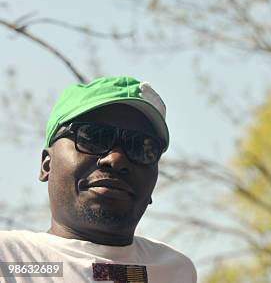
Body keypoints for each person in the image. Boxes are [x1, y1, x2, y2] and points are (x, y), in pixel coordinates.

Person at [0, 76, 197, 282]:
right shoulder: (9, 260)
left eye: (141, 147)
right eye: (93, 137)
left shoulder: (175, 271)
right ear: (46, 165)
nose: (116, 159)